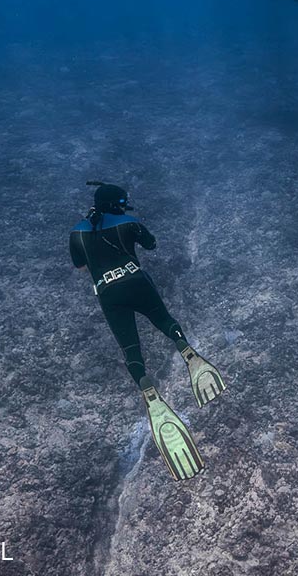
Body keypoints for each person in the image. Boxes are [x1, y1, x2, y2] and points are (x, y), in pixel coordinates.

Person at [70, 181, 226, 481]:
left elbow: (80, 267)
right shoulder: (129, 222)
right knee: (162, 318)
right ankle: (187, 351)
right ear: (119, 204)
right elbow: (151, 244)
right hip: (136, 281)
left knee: (130, 348)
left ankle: (148, 391)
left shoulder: (76, 232)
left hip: (108, 295)